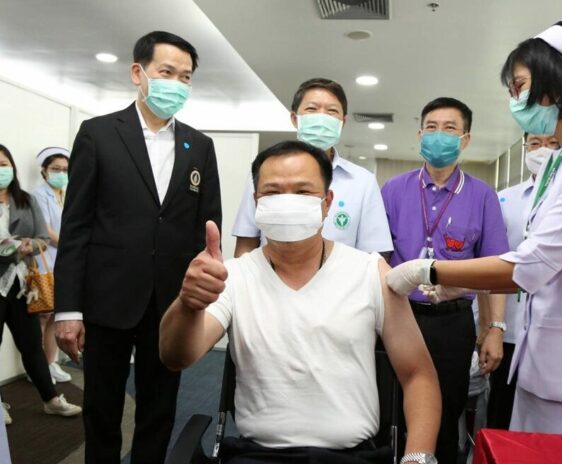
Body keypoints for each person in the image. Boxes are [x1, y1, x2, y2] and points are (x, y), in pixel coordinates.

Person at [386, 13, 562, 438]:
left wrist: (427, 270)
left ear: (558, 83)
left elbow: (531, 263)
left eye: (520, 86)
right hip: (549, 364)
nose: (515, 98)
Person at [160, 140, 441, 464]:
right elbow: (175, 356)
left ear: (327, 202)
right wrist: (187, 304)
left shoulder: (369, 272)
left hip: (352, 457)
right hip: (258, 456)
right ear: (256, 202)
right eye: (273, 192)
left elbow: (418, 373)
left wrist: (417, 457)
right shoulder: (234, 276)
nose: (287, 202)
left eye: (303, 192)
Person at [53, 31, 222, 464]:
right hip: (106, 298)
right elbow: (76, 228)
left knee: (159, 408)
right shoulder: (98, 135)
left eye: (186, 78)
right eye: (167, 72)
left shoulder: (200, 147)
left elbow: (209, 230)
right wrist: (68, 309)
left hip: (171, 304)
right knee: (102, 409)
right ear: (138, 73)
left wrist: (199, 299)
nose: (176, 84)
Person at [381, 97, 509, 463]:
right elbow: (377, 258)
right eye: (431, 128)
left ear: (465, 139)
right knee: (392, 408)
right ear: (419, 135)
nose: (439, 136)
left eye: (450, 128)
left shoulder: (483, 196)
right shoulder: (393, 190)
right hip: (399, 317)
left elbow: (494, 269)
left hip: (452, 323)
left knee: (447, 407)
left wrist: (494, 328)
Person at [232, 78, 392, 256]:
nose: (321, 118)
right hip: (269, 278)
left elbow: (375, 253)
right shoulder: (265, 171)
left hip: (343, 282)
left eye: (331, 111)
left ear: (342, 123)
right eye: (312, 109)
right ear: (295, 118)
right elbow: (246, 241)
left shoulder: (363, 181)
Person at [0, 144, 82, 421]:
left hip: (23, 283)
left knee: (31, 343)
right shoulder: (39, 195)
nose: (2, 170)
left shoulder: (25, 200)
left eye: (4, 164)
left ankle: (51, 398)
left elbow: (42, 239)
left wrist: (26, 246)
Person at [485, 133, 559, 430]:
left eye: (552, 143)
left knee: (547, 421)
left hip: (556, 329)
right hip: (513, 329)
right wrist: (493, 327)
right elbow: (494, 263)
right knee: (502, 413)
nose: (543, 151)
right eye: (535, 144)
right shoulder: (505, 200)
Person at [32, 146, 72, 383]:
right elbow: (45, 231)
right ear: (44, 171)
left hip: (62, 262)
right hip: (43, 260)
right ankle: (36, 368)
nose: (61, 173)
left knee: (56, 313)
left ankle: (50, 362)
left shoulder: (64, 193)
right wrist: (72, 244)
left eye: (65, 169)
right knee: (43, 316)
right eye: (56, 169)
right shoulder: (38, 194)